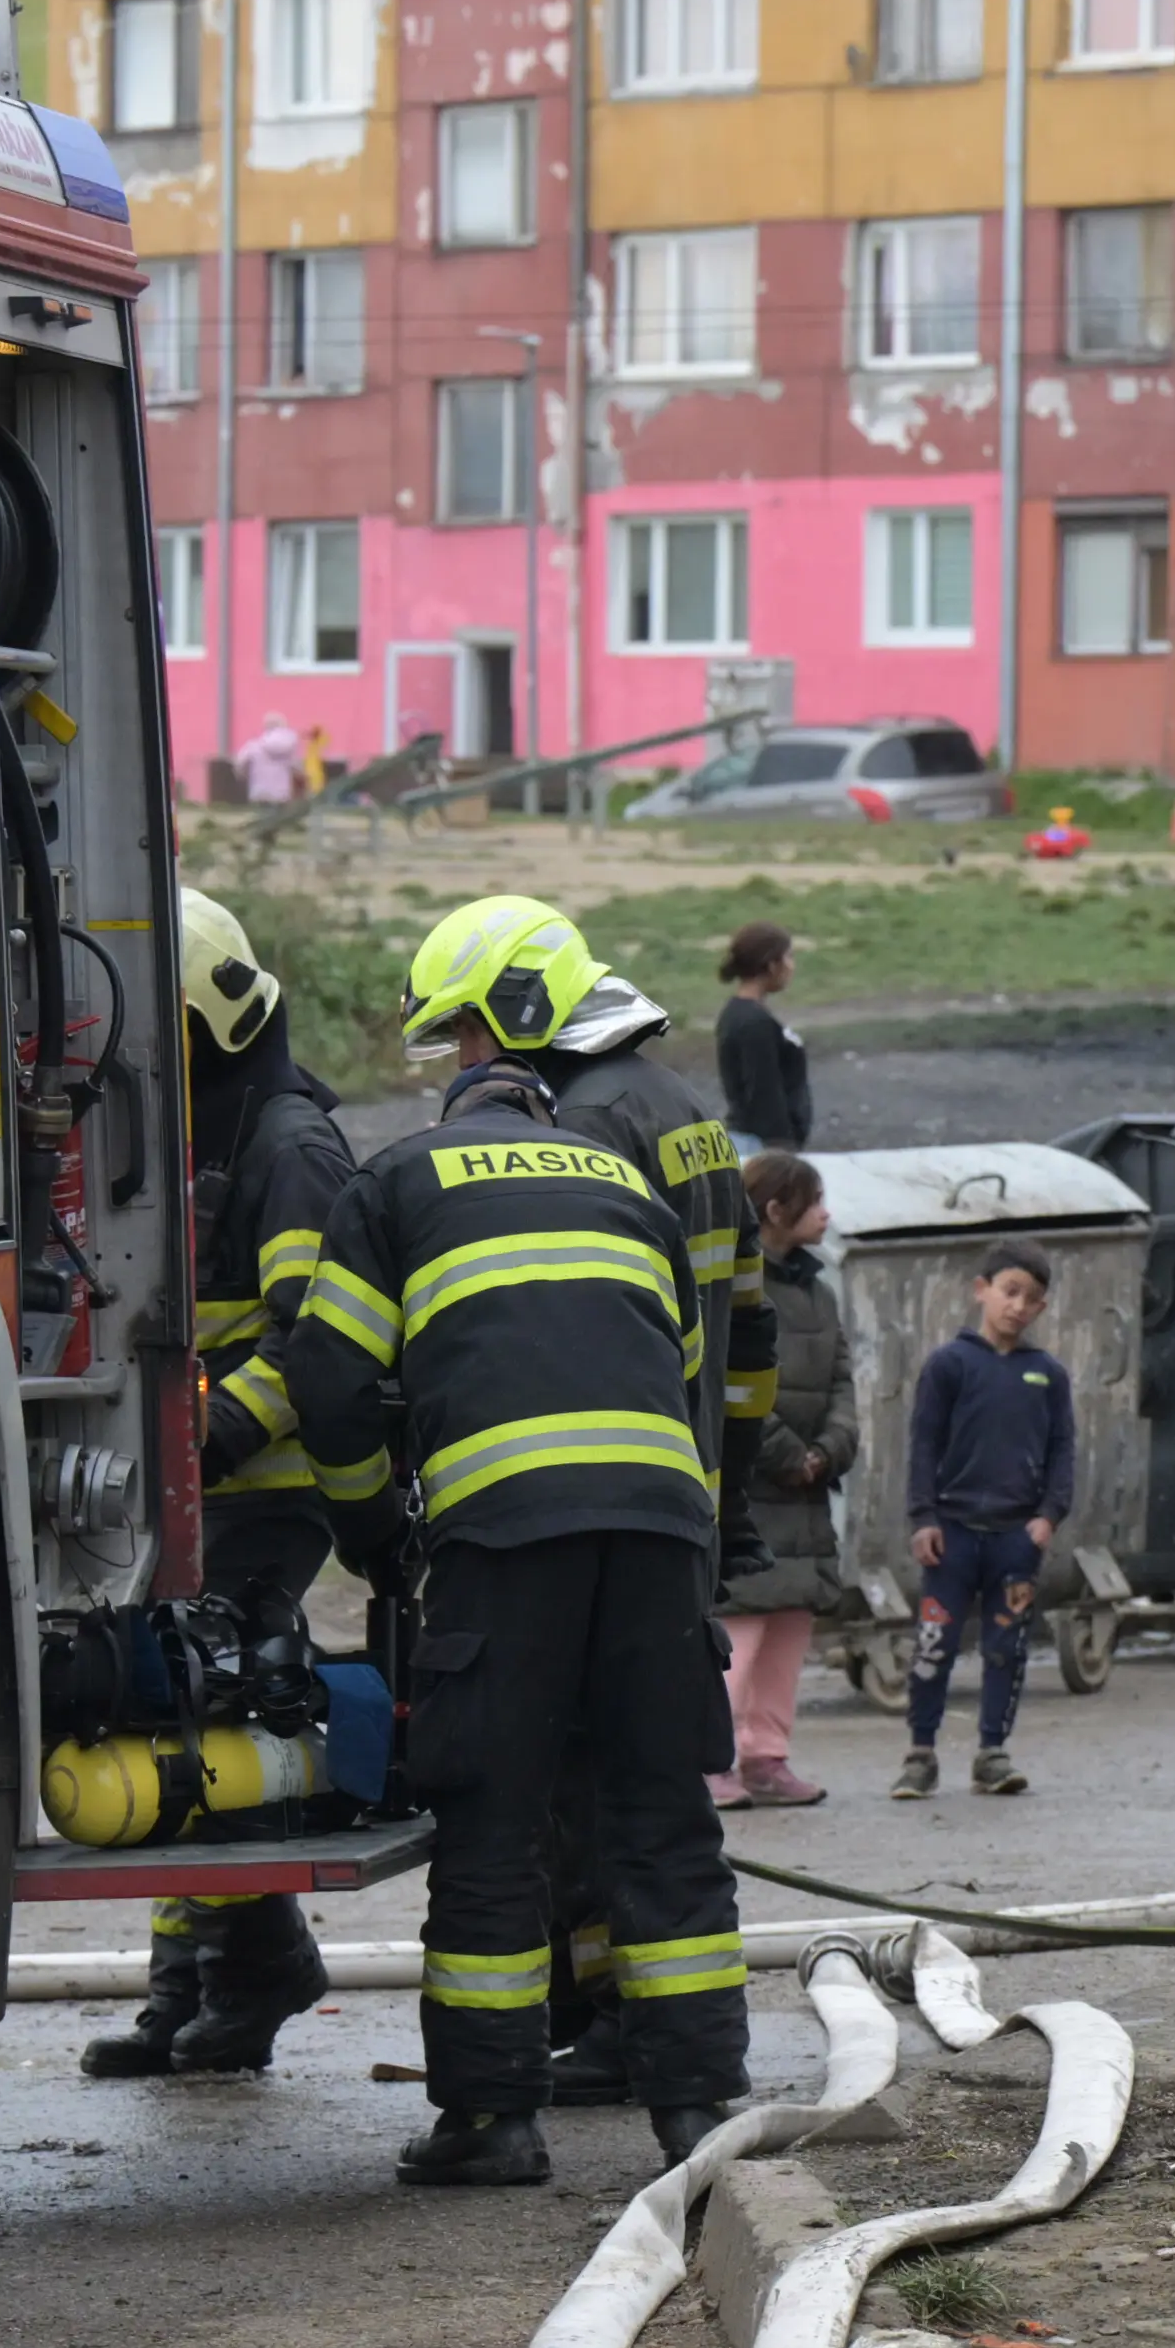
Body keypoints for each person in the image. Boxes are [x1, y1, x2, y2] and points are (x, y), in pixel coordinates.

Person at [228, 1008, 749, 2187]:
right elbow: (680, 1370)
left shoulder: (400, 1178)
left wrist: (372, 1532)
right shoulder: (626, 1185)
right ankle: (698, 2106)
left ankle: (493, 2121)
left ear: (457, 1095)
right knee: (663, 1816)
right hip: (662, 1531)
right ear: (546, 1114)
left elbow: (328, 1372)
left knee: (493, 1819)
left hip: (505, 1542)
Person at [392, 895, 775, 2107]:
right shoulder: (684, 1111)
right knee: (648, 1787)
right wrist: (734, 1489)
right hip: (675, 1494)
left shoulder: (584, 1124)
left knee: (564, 1794)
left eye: (462, 1035)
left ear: (512, 1016)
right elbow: (747, 1335)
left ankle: (606, 2019)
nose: (461, 1063)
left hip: (566, 1509)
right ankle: (651, 2046)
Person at [90, 890, 376, 2082]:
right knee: (163, 1712)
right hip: (198, 1484)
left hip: (269, 1480)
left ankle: (253, 1971)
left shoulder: (288, 1146)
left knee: (214, 1702)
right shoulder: (197, 1124)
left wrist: (198, 1442)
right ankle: (191, 1986)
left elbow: (312, 1342)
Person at [893, 1242, 1076, 1800]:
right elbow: (924, 1443)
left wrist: (1048, 1516)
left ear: (1042, 1310)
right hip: (952, 1534)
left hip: (1016, 1539)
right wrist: (924, 1515)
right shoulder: (949, 1364)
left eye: (1033, 1300)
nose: (1018, 1307)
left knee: (1007, 1645)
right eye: (1010, 1292)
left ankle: (992, 1752)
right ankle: (921, 1753)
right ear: (982, 1290)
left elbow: (1062, 1449)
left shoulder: (1046, 1374)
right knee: (935, 1642)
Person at [715, 1152, 849, 1809]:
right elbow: (729, 1382)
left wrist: (827, 1450)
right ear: (774, 1210)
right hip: (753, 1489)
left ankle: (766, 1756)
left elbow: (845, 1382)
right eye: (814, 1200)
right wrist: (786, 1454)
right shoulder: (736, 1287)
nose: (826, 1213)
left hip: (806, 1492)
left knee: (791, 1628)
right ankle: (711, 1763)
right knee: (741, 1630)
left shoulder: (820, 1292)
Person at [716, 922, 813, 1152]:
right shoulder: (754, 1023)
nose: (792, 966)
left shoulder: (739, 1013)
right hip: (760, 1148)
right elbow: (763, 1093)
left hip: (752, 1142)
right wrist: (781, 1150)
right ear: (771, 965)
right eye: (789, 957)